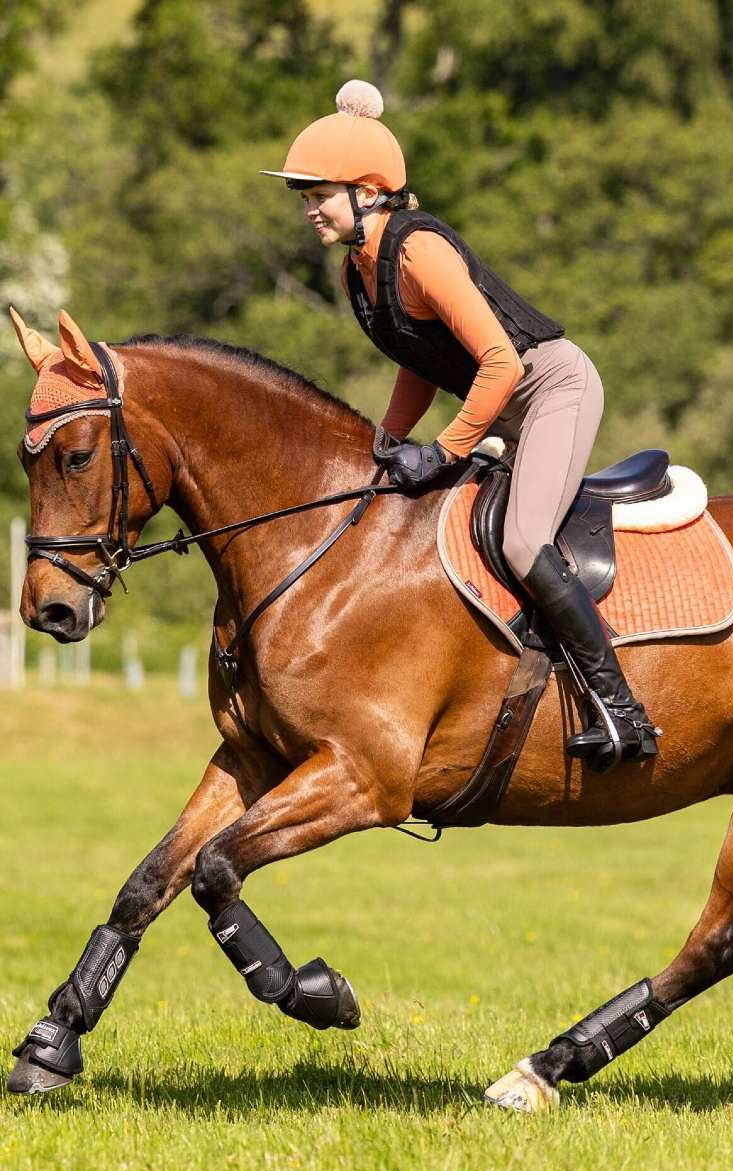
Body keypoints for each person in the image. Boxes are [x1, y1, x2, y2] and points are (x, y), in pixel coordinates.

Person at [261, 80, 659, 771]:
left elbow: (501, 363)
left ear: (368, 191)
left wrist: (444, 451)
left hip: (547, 389)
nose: (310, 212)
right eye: (305, 200)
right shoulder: (360, 271)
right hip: (498, 400)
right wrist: (383, 443)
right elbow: (419, 360)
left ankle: (622, 709)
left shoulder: (418, 252)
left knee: (523, 540)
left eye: (319, 197)